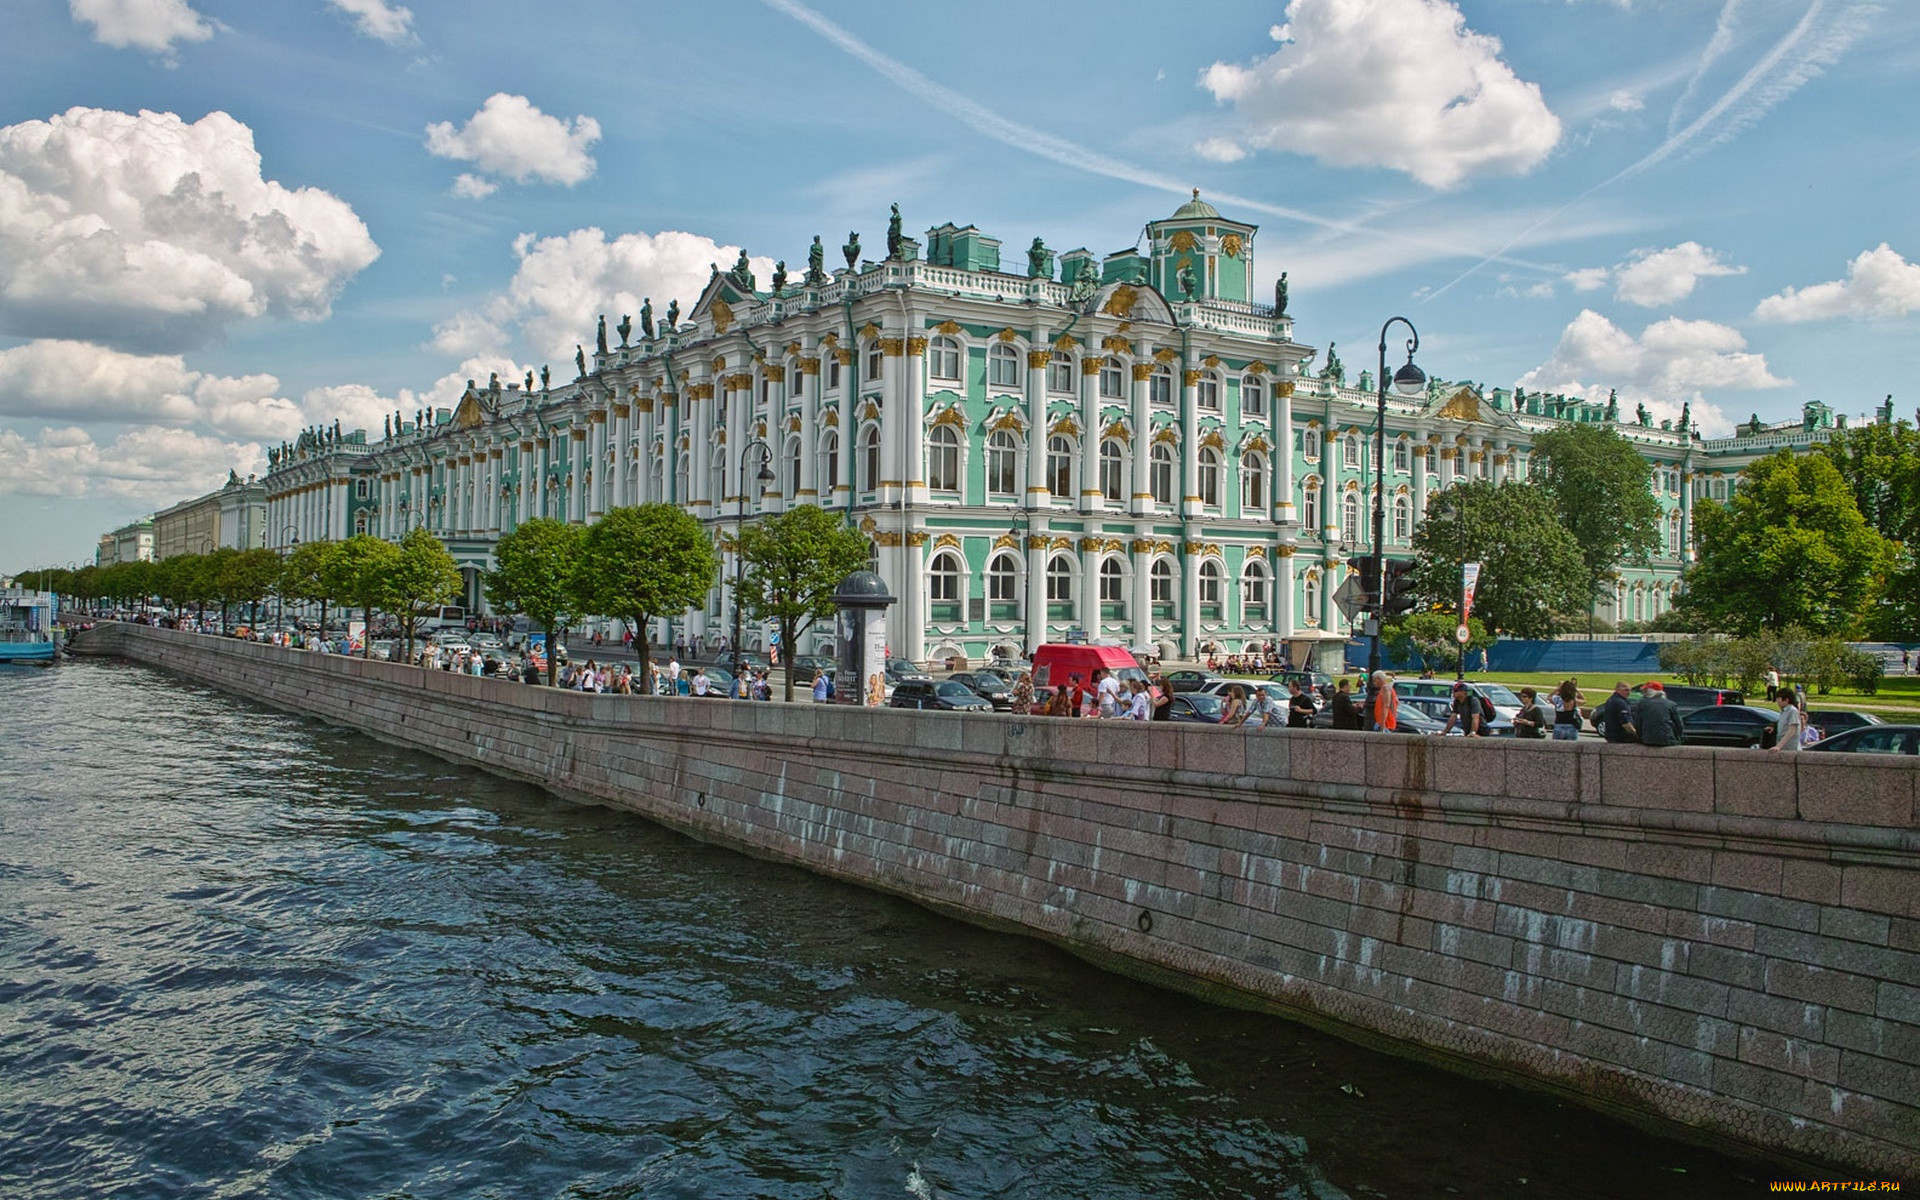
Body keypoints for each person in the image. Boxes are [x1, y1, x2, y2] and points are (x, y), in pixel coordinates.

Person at [1635, 681, 1685, 746]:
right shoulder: (1671, 704)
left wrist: (1641, 738)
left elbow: (1638, 724)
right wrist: (1677, 738)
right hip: (1667, 739)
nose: (1644, 693)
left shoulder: (1642, 704)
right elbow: (1679, 725)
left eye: (1645, 690)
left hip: (1647, 740)